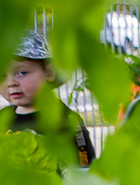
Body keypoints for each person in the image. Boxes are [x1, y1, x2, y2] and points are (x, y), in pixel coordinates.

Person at [3, 31, 96, 165]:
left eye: (22, 73)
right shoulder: (3, 118)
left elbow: (85, 166)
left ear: (49, 73)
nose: (10, 82)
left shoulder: (66, 120)